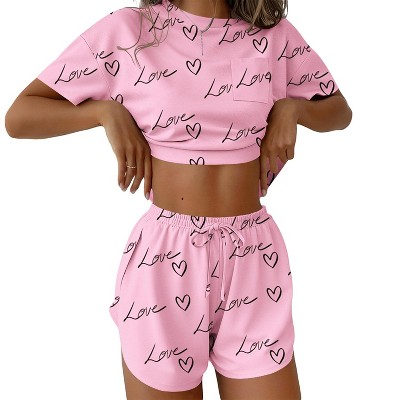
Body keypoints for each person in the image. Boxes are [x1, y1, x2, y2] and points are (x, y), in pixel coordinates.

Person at [4, 0, 352, 398]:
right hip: (165, 261)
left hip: (255, 257)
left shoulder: (274, 36)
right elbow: (20, 116)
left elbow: (338, 110)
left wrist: (292, 109)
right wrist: (104, 113)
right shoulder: (129, 31)